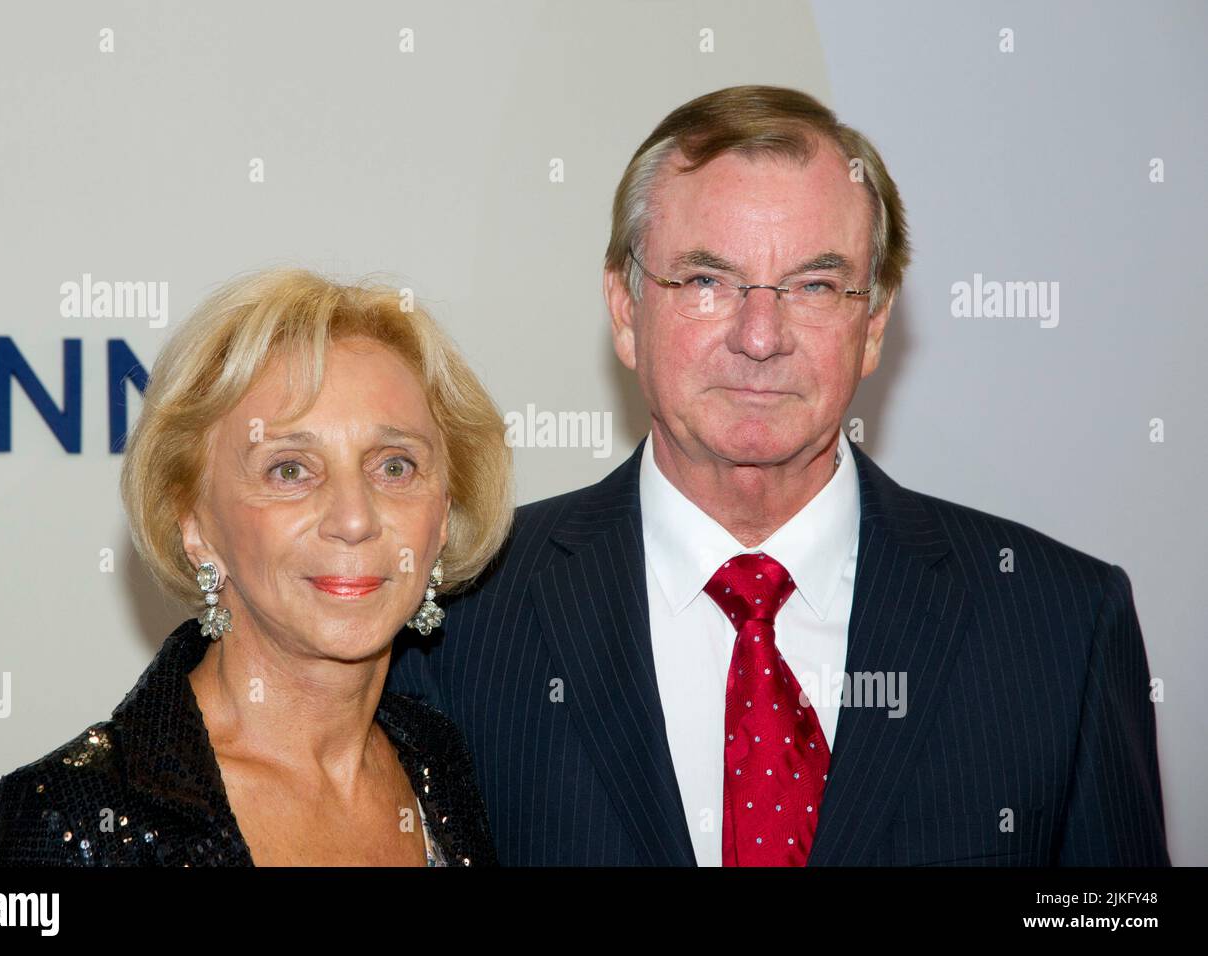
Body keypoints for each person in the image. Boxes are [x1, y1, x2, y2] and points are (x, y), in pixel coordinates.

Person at [388, 85, 1172, 866]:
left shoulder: (1060, 627)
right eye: (705, 282)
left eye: (816, 286)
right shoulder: (457, 618)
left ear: (874, 325)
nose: (760, 337)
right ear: (626, 310)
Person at [0, 267, 512, 866]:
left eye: (394, 466)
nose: (354, 519)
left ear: (445, 510)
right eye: (290, 469)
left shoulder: (439, 762)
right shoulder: (64, 819)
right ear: (194, 522)